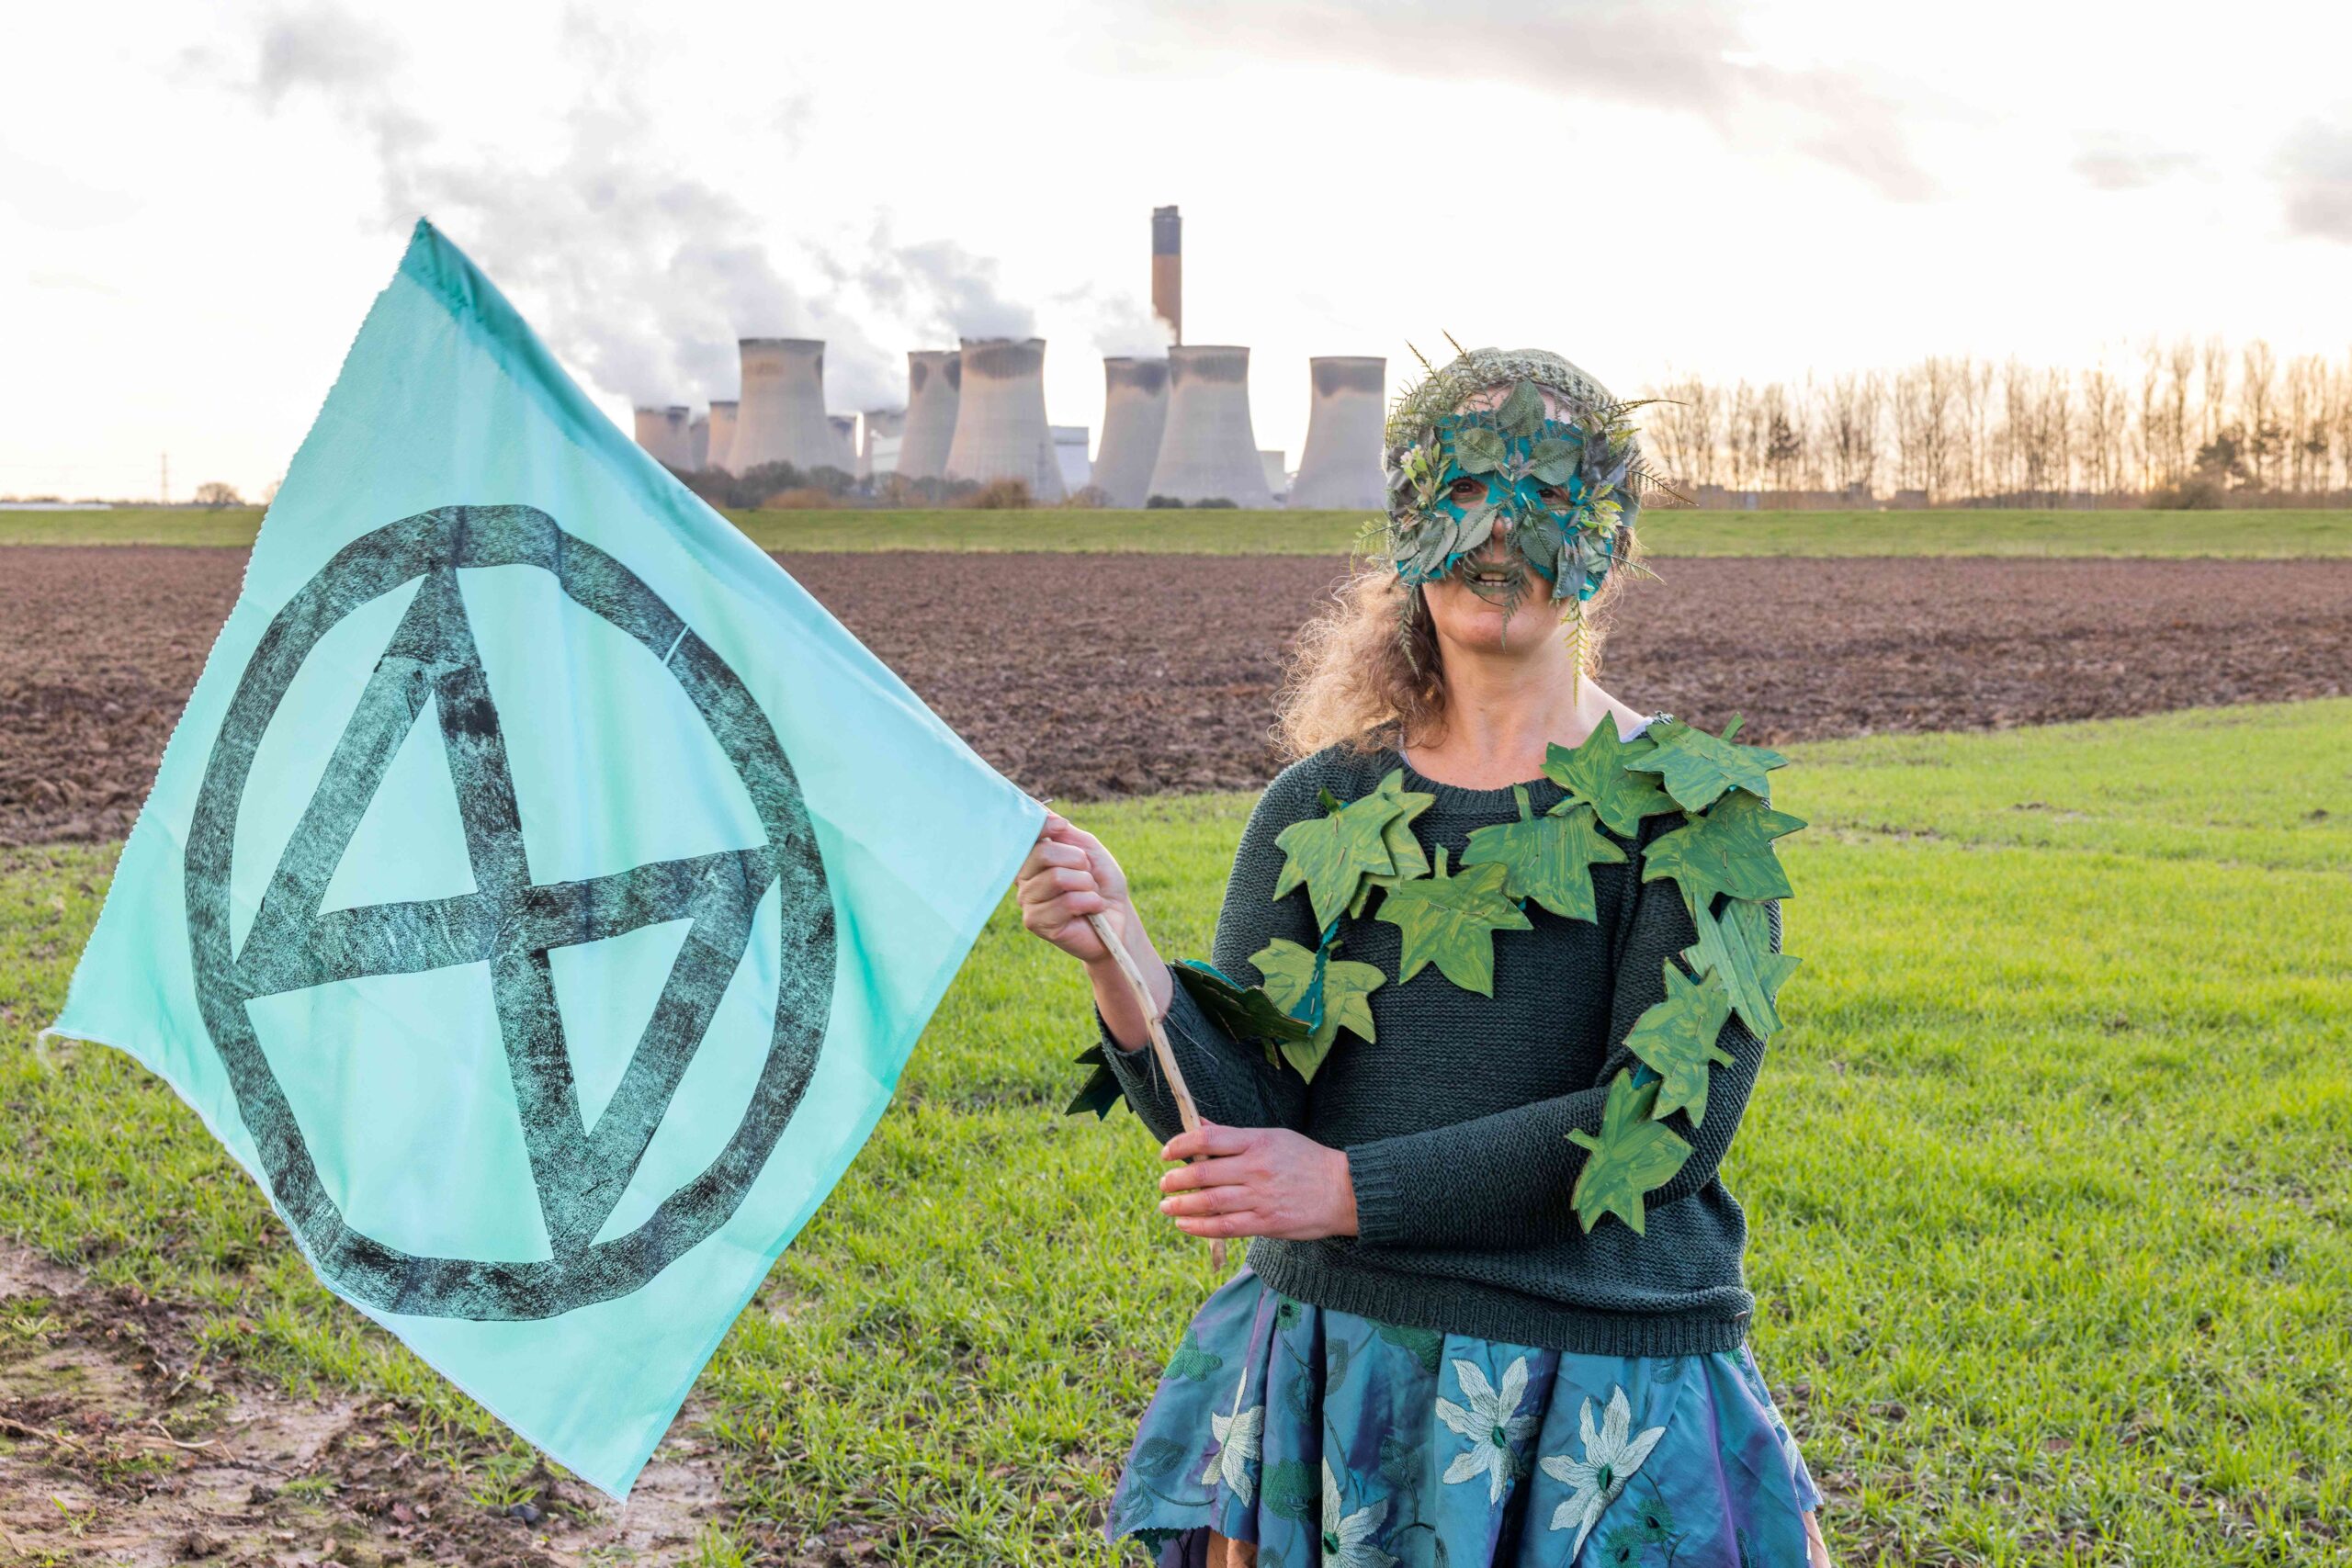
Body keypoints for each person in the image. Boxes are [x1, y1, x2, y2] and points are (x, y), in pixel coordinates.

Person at [1017, 347, 1831, 1567]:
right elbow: (1252, 1114)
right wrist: (1121, 958)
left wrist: (1349, 1190)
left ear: (1608, 546)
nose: (1498, 540)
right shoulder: (1323, 805)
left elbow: (1662, 1126)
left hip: (1604, 1386)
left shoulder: (1698, 813)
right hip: (1351, 1366)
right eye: (1463, 500)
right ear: (1408, 528)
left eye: (1547, 502)